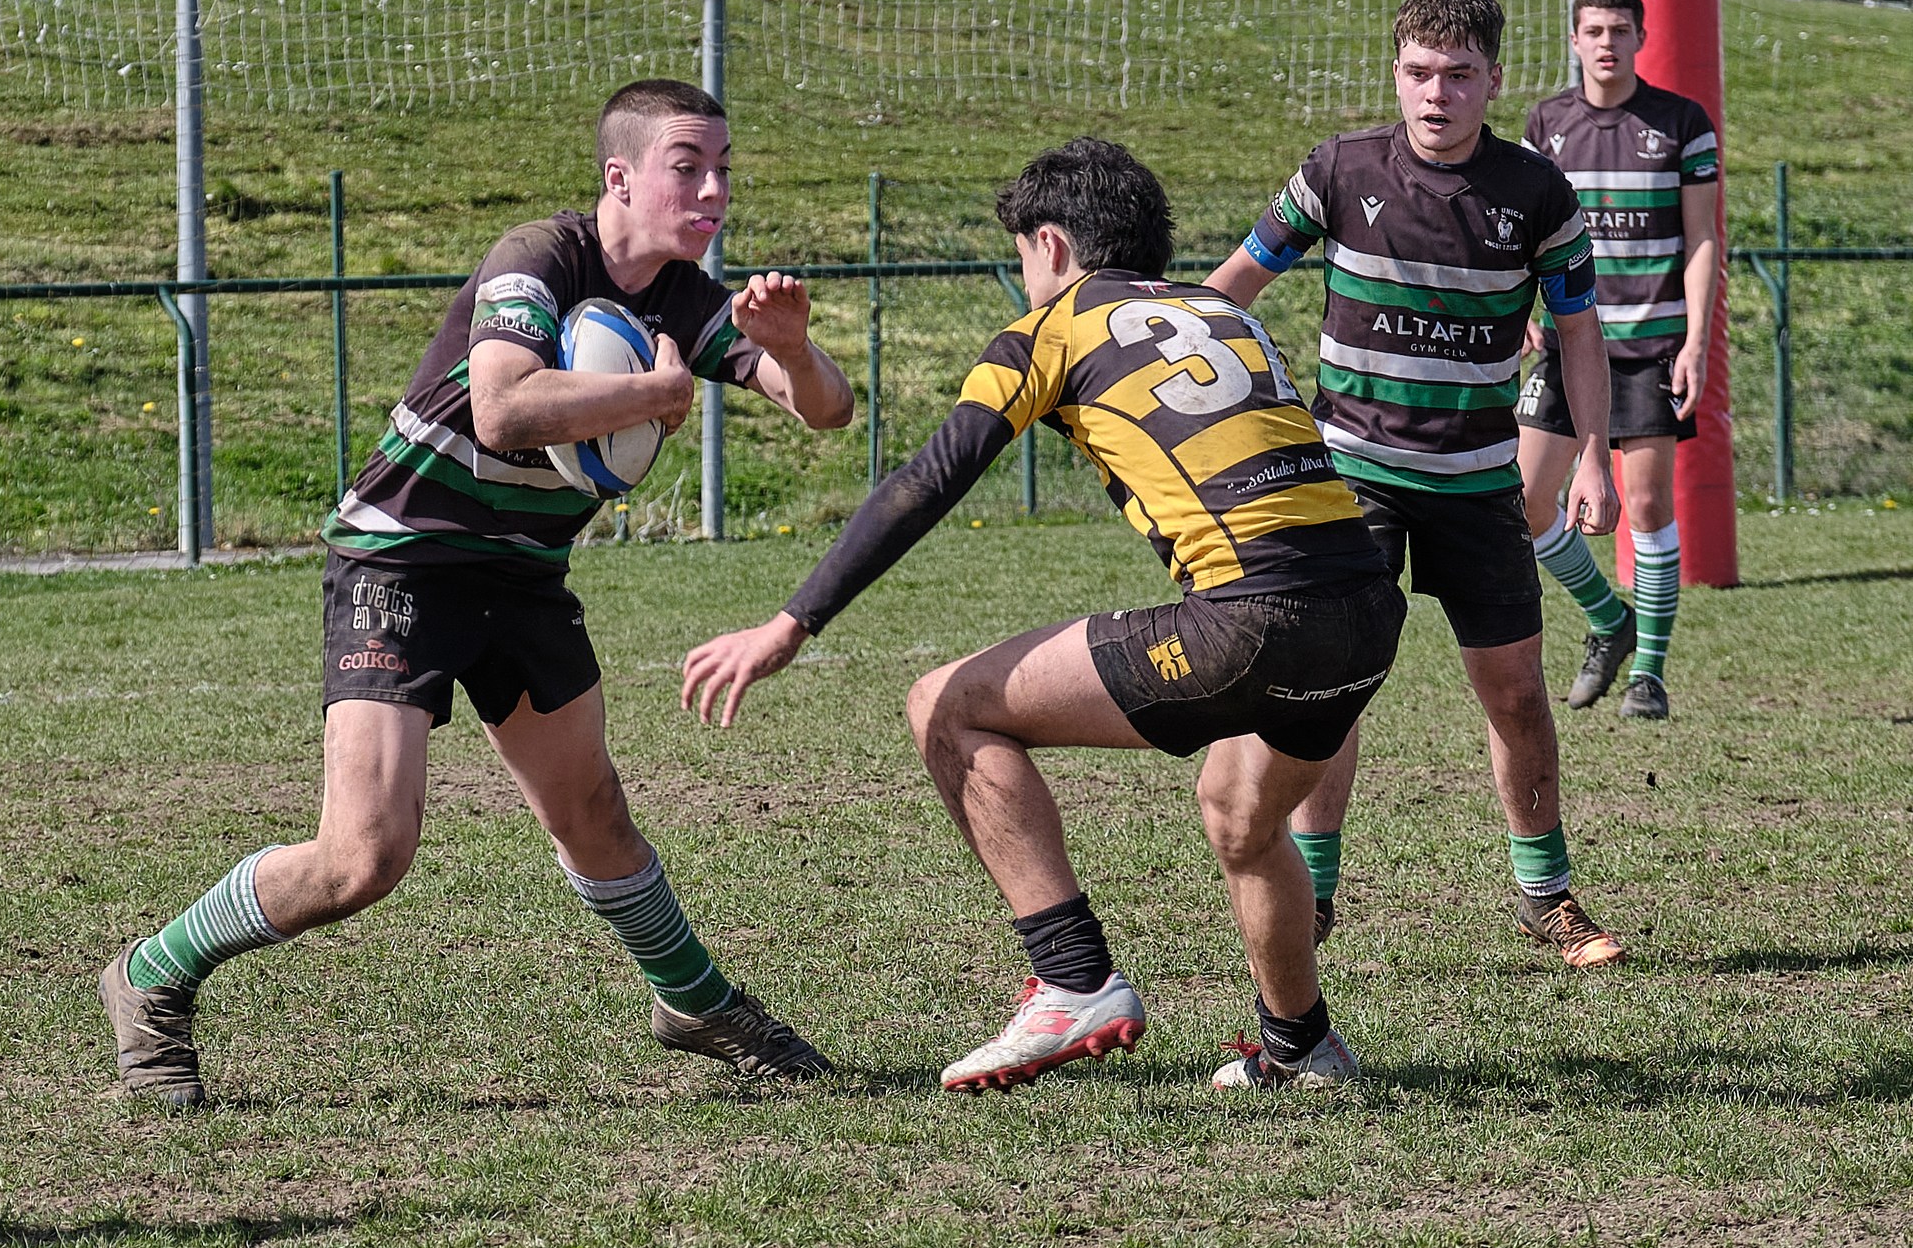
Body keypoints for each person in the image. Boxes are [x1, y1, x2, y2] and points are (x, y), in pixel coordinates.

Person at [98, 79, 856, 1108]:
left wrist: (793, 347)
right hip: (400, 560)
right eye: (689, 166)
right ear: (620, 177)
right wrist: (655, 395)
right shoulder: (537, 260)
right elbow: (501, 408)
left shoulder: (684, 298)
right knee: (364, 855)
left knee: (592, 814)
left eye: (724, 167)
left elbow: (824, 412)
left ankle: (693, 1002)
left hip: (522, 574)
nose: (714, 188)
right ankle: (150, 975)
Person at [681, 137, 1407, 1093]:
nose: (1025, 277)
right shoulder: (1222, 310)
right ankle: (1303, 1045)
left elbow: (929, 479)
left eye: (1023, 255)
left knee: (948, 704)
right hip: (1365, 617)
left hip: (1251, 620)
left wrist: (791, 623)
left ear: (1053, 246)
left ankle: (1073, 980)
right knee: (1242, 821)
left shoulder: (1054, 329)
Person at [1203, 0, 1629, 969]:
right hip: (1348, 475)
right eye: (1416, 73)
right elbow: (1233, 287)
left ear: (1492, 79)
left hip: (1477, 482)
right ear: (1394, 73)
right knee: (1330, 689)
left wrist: (1594, 460)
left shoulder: (1537, 195)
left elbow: (1576, 333)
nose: (1434, 94)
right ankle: (1311, 895)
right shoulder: (1336, 170)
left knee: (1516, 696)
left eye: (1456, 75)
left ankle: (1543, 896)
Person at [1517, 0, 1722, 722]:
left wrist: (1698, 340)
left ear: (1641, 38)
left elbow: (1701, 237)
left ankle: (1651, 675)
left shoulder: (1682, 122)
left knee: (1641, 503)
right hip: (1574, 343)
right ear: (1574, 41)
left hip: (1652, 347)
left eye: (1619, 29)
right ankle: (1610, 619)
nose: (1606, 42)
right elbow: (1523, 235)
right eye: (1593, 30)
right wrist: (1519, 314)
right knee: (1528, 500)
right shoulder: (1546, 123)